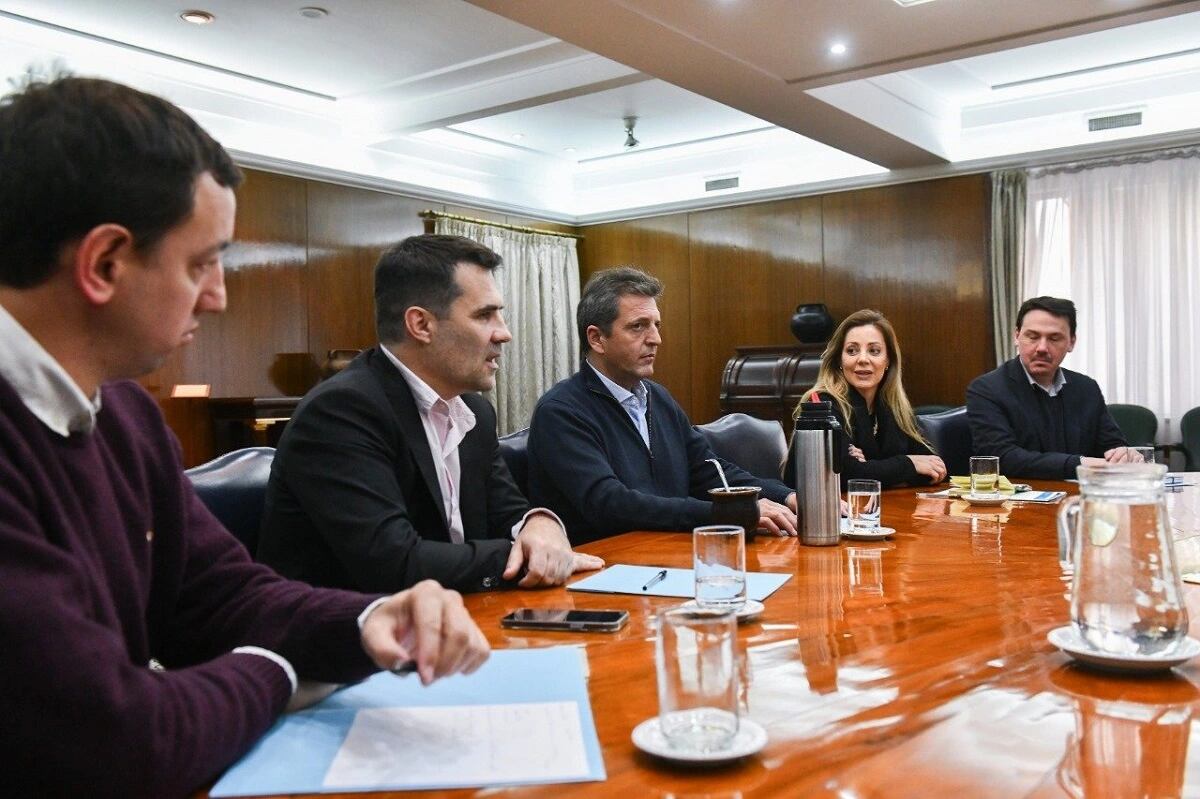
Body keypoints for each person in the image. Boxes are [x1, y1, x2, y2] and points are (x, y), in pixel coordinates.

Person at [0, 76, 488, 798]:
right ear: (104, 263)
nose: (219, 295)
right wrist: (279, 670)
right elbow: (116, 740)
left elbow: (219, 596)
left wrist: (366, 618)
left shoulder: (128, 419)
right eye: (202, 262)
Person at [258, 234, 603, 593]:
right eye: (485, 315)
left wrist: (540, 522)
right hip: (347, 634)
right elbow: (394, 563)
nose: (505, 333)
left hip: (452, 617)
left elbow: (508, 512)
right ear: (421, 325)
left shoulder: (474, 410)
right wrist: (523, 556)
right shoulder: (341, 413)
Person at [527, 266, 798, 545]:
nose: (656, 339)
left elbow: (709, 471)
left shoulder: (659, 399)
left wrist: (785, 496)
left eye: (656, 325)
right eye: (638, 326)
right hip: (602, 568)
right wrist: (726, 513)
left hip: (667, 553)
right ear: (597, 338)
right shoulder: (561, 411)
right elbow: (610, 505)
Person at [967, 296, 1131, 479]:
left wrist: (1123, 455)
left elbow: (1112, 444)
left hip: (1082, 497)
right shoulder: (987, 389)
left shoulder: (1086, 388)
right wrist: (1080, 464)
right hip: (1020, 502)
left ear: (1071, 342)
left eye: (1054, 338)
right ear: (1016, 336)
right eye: (1033, 336)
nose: (1042, 348)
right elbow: (1002, 458)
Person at [787, 309, 946, 488]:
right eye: (852, 351)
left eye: (874, 351)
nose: (863, 359)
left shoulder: (892, 407)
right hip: (830, 513)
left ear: (888, 361)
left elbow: (933, 468)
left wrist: (871, 467)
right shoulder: (823, 404)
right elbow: (843, 475)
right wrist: (907, 464)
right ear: (840, 359)